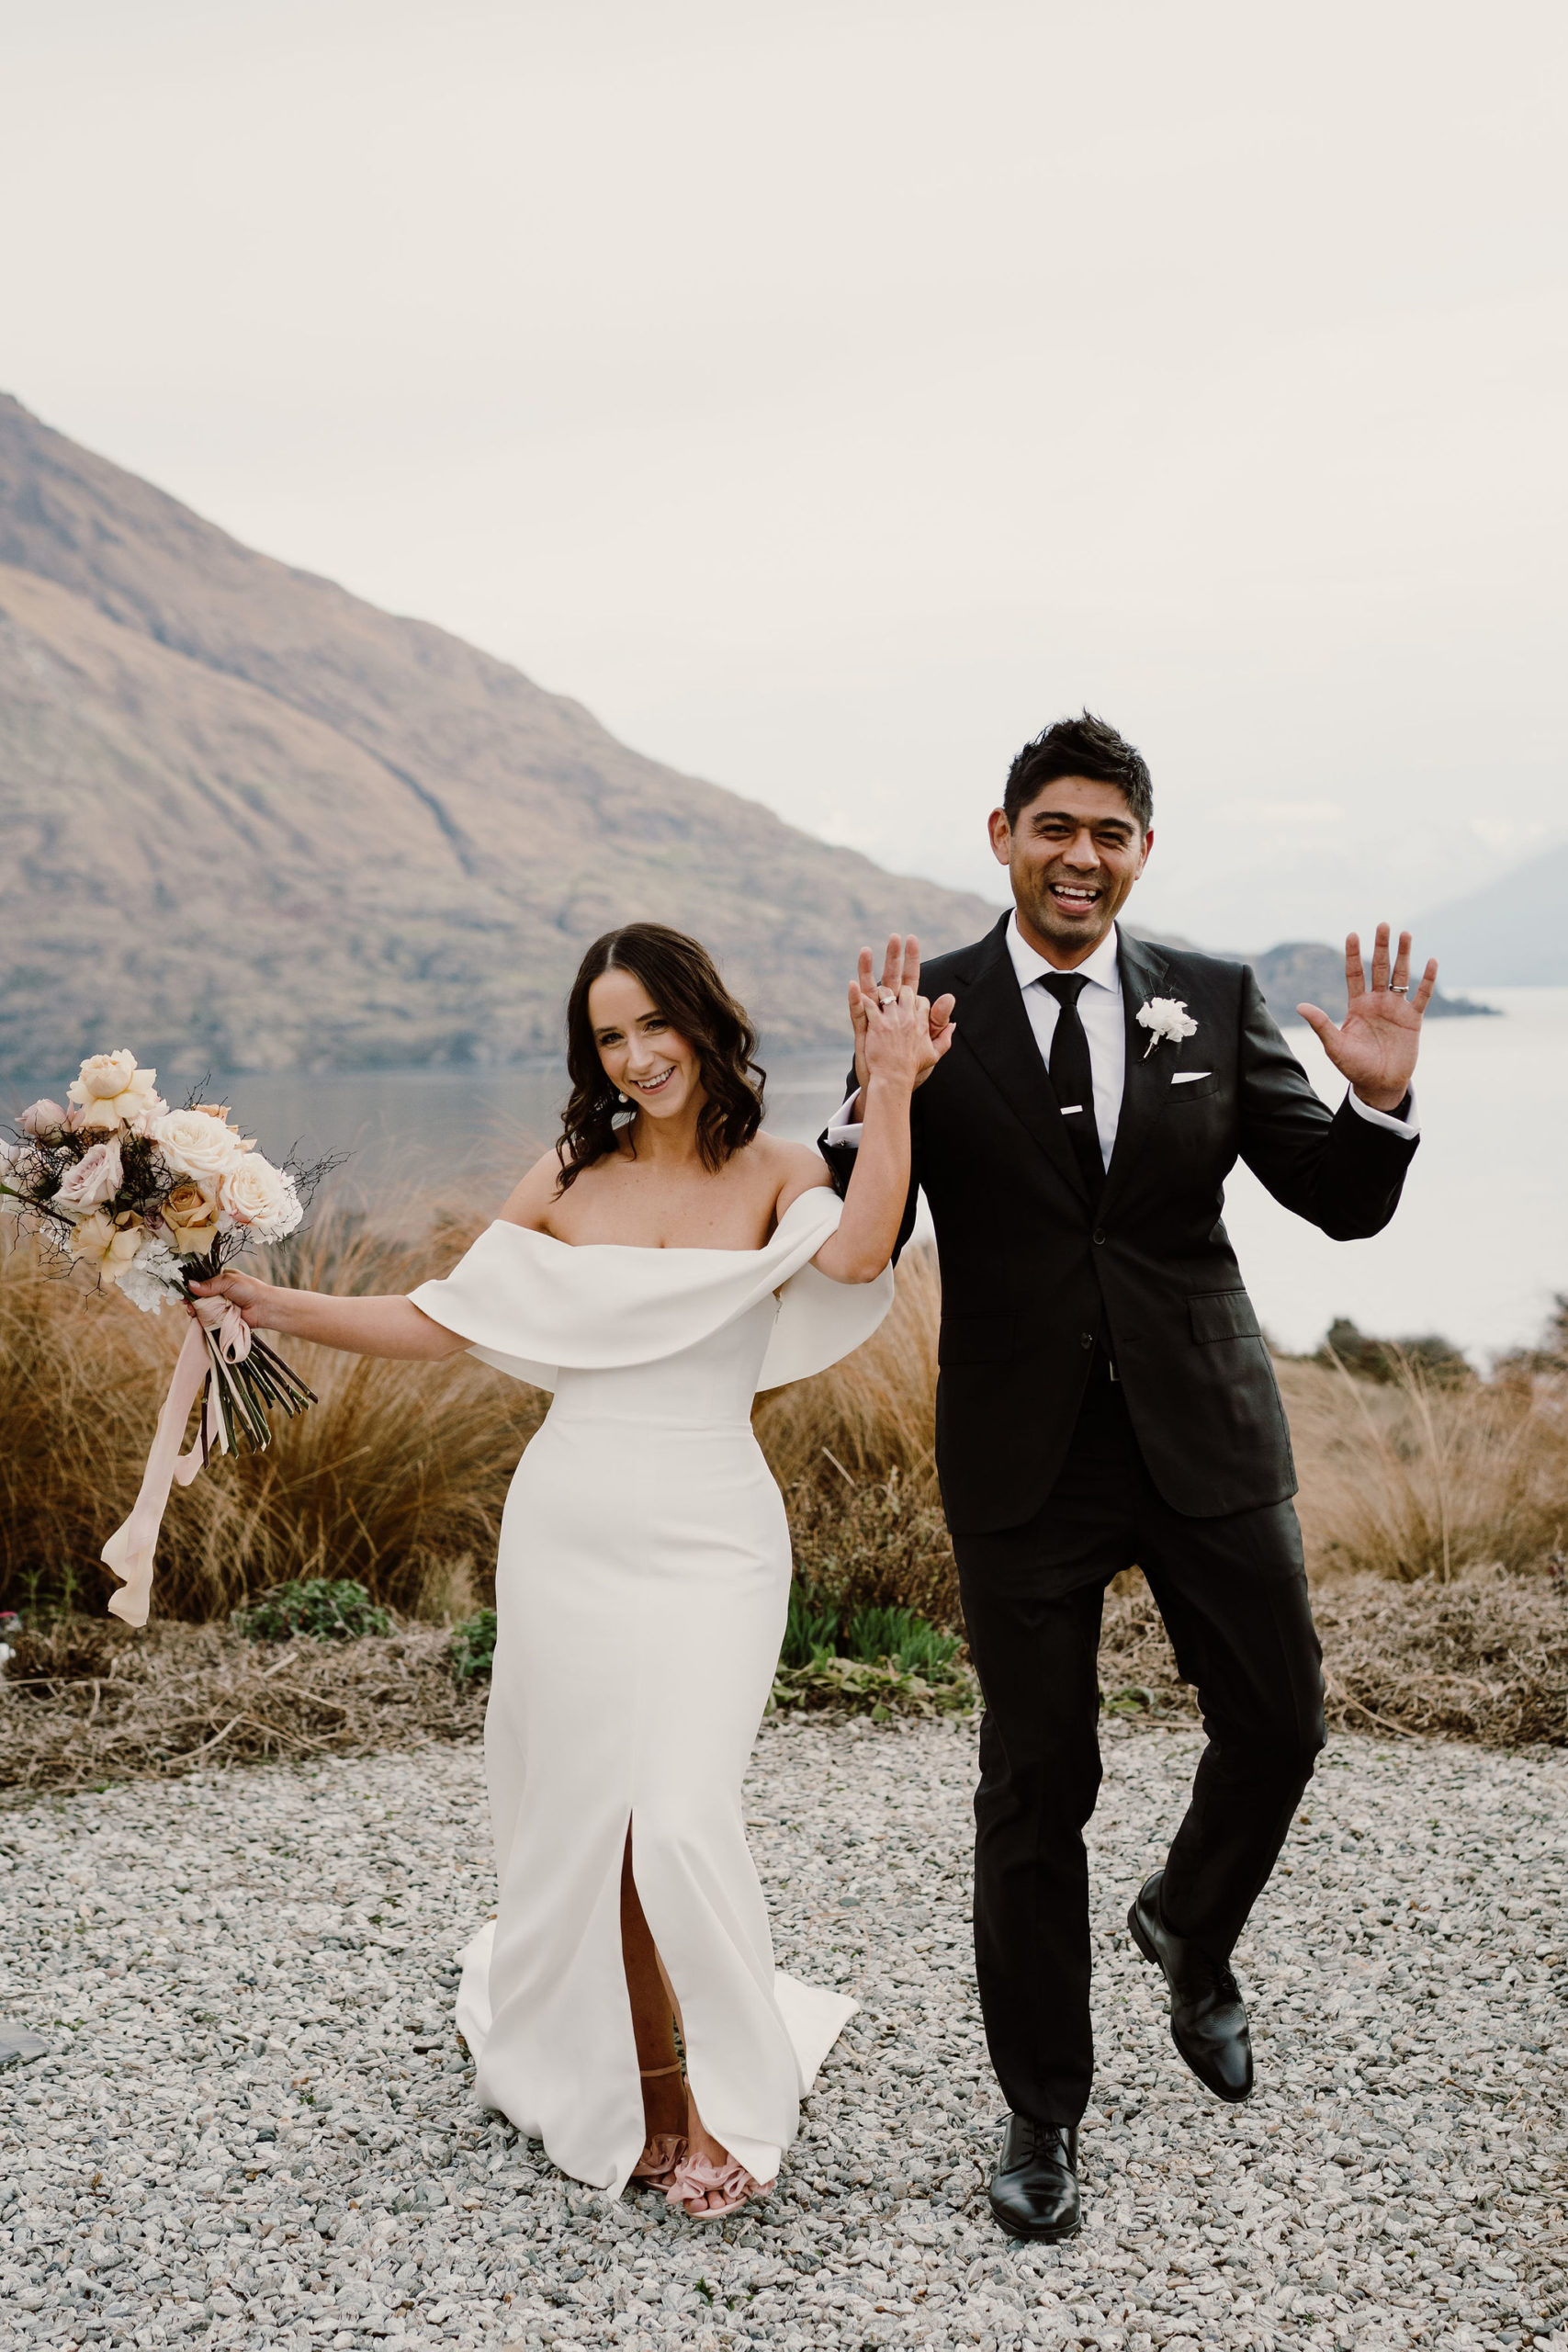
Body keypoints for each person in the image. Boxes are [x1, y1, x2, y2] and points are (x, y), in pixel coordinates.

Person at [196, 922, 948, 2217]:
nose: (639, 1054)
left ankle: (727, 2102)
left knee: (679, 1809)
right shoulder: (564, 1175)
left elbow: (859, 1254)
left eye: (656, 1023)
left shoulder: (775, 1171)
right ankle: (652, 2094)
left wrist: (889, 1091)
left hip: (715, 1528)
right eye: (611, 1035)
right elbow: (443, 1318)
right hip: (571, 1524)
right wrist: (268, 1305)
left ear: (704, 1022)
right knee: (593, 1823)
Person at [819, 712, 1434, 2242]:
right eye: (1055, 828)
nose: (1080, 856)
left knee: (1280, 1719)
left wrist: (1375, 1098)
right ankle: (1042, 2114)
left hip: (1205, 1429)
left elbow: (1343, 1209)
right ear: (1002, 836)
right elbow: (862, 1238)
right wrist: (878, 1094)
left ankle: (1189, 1923)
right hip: (1022, 1451)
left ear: (1141, 852)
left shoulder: (1212, 1000)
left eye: (1111, 833)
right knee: (1038, 1787)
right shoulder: (928, 1009)